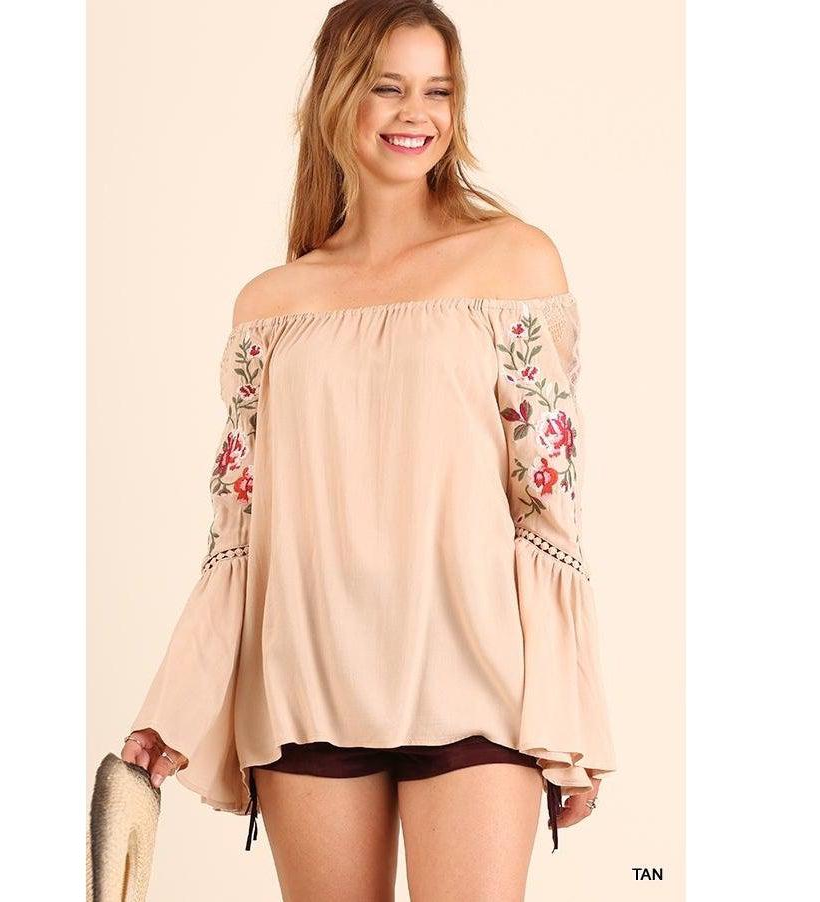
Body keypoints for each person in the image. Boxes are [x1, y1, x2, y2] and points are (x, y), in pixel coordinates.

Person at [121, 1, 615, 898]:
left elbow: (547, 506)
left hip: (478, 679)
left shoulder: (514, 264)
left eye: (438, 90)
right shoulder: (271, 305)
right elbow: (237, 530)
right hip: (306, 679)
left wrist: (568, 712)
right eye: (388, 87)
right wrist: (176, 706)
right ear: (336, 97)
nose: (415, 113)